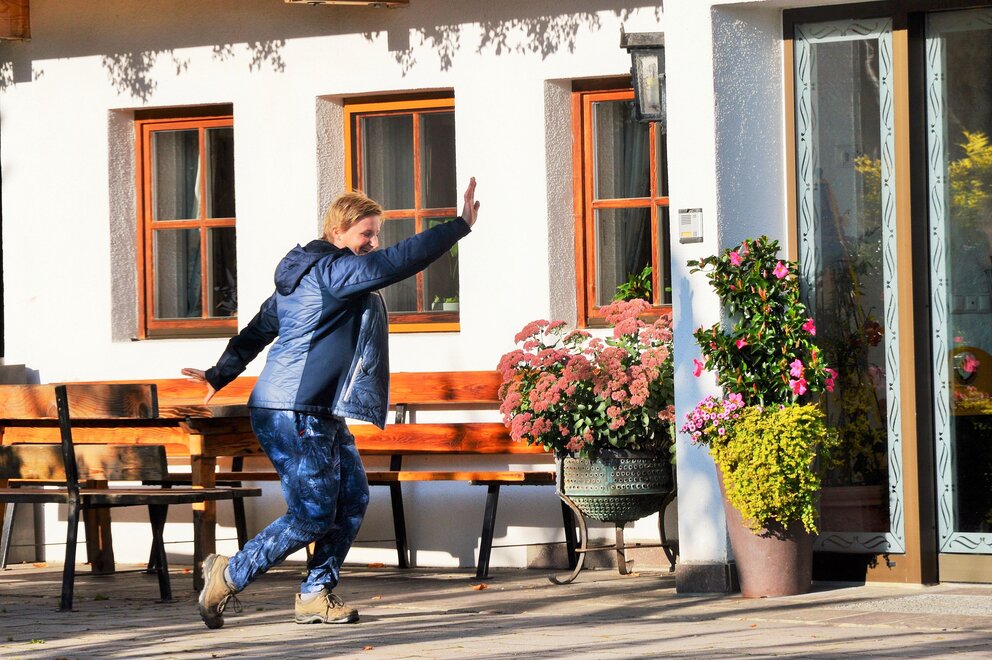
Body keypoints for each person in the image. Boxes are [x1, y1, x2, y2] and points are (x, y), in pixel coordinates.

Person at [183, 178, 480, 629]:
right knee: (312, 514)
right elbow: (397, 261)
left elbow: (259, 329)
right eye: (366, 234)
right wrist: (458, 226)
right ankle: (229, 574)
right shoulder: (333, 272)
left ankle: (313, 594)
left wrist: (220, 372)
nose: (373, 243)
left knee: (353, 497)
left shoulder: (304, 275)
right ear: (338, 231)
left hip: (313, 410)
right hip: (294, 411)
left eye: (376, 234)